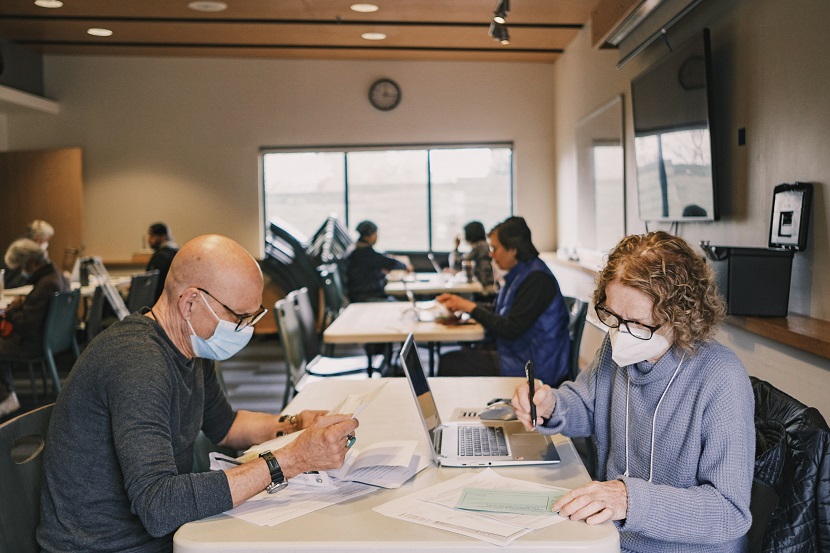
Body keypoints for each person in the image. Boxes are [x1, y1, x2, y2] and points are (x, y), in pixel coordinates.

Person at [37, 235, 359, 553]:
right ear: (190, 302)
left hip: (158, 534)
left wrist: (296, 425)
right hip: (106, 545)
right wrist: (293, 458)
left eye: (253, 317)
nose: (247, 329)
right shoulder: (138, 363)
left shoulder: (191, 347)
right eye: (240, 318)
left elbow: (227, 426)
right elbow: (160, 505)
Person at [511, 231, 755, 552]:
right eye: (612, 316)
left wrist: (629, 499)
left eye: (638, 323)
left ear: (681, 317)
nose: (620, 335)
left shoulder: (721, 377)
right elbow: (586, 405)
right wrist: (550, 405)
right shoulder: (620, 349)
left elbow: (729, 511)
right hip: (609, 538)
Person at [437, 216, 570, 386]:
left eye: (494, 248)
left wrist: (470, 307)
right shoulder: (523, 273)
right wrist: (464, 306)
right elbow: (504, 312)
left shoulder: (537, 279)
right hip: (519, 354)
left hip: (532, 365)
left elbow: (510, 328)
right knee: (459, 357)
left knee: (451, 362)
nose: (491, 254)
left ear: (512, 249)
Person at [0, 238, 69, 417]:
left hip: (32, 343)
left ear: (31, 262)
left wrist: (12, 312)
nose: (20, 271)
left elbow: (27, 324)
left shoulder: (46, 284)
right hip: (52, 340)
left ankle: (5, 396)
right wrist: (24, 303)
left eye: (20, 266)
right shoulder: (57, 276)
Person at [345, 220, 410, 302]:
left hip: (360, 295)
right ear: (367, 237)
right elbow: (390, 263)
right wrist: (405, 266)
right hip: (366, 297)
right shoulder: (364, 253)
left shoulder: (355, 250)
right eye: (375, 234)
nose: (376, 236)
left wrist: (381, 273)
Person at [3, 219, 55, 289]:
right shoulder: (21, 252)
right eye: (46, 240)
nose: (47, 243)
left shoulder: (38, 254)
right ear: (38, 239)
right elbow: (10, 282)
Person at [447, 220, 495, 290]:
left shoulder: (480, 246)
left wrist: (456, 247)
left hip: (485, 286)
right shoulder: (483, 245)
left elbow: (456, 264)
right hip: (485, 284)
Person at [146, 222, 180, 303]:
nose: (149, 239)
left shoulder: (161, 256)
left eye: (153, 235)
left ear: (163, 237)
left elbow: (152, 283)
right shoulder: (176, 251)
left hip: (159, 301)